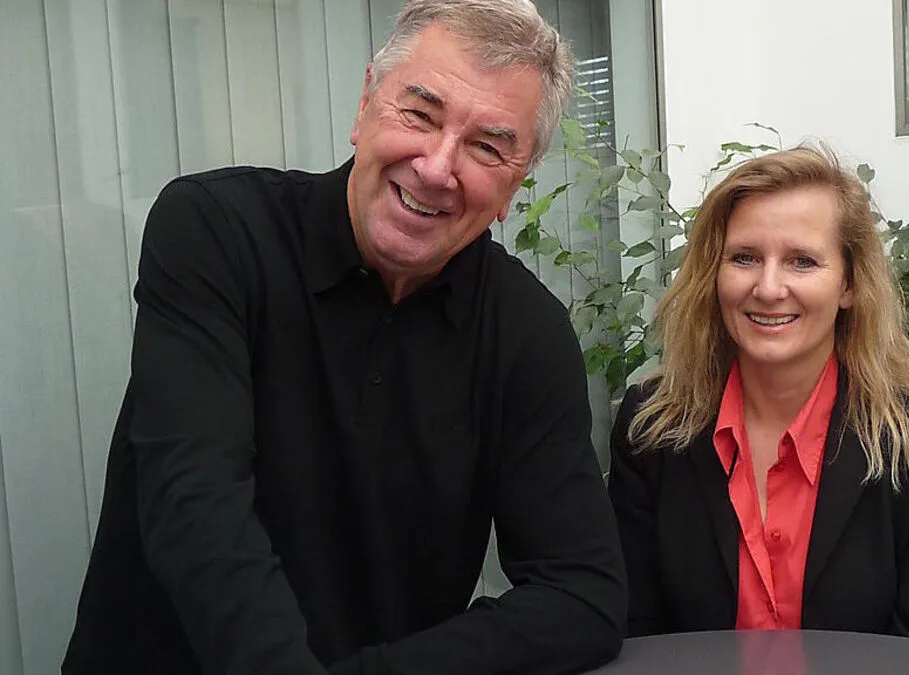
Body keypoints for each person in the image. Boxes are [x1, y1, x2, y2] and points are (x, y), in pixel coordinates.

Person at [62, 2, 626, 673]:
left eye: (486, 147)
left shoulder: (525, 332)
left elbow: (582, 593)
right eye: (420, 114)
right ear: (365, 107)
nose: (436, 167)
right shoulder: (217, 233)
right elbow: (195, 504)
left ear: (515, 185)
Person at [607, 144, 909, 644]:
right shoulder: (652, 428)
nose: (768, 288)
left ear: (849, 284)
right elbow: (639, 636)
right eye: (744, 258)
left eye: (802, 261)